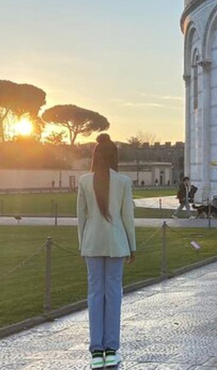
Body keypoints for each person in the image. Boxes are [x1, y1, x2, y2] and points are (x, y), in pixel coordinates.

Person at [77, 134, 136, 369]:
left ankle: (96, 351)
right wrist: (132, 246)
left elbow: (81, 217)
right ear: (114, 157)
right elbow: (127, 218)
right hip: (117, 243)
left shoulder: (84, 181)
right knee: (113, 295)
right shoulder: (123, 181)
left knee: (94, 295)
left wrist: (83, 245)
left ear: (95, 156)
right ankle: (111, 349)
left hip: (92, 243)